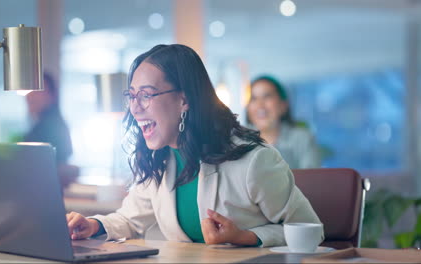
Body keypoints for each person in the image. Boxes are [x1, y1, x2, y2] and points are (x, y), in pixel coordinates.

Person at [67, 44, 322, 247]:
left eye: (146, 95)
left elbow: (310, 229)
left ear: (184, 99)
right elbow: (129, 219)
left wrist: (245, 237)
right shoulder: (160, 158)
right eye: (131, 96)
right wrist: (93, 225)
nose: (134, 107)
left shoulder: (254, 161)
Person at [246, 75, 321, 169]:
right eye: (253, 98)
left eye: (267, 96)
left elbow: (312, 180)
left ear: (283, 105)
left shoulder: (302, 138)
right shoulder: (240, 141)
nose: (260, 105)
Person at [24, 72, 76, 187]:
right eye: (29, 91)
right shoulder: (43, 124)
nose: (30, 96)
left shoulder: (51, 126)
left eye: (37, 91)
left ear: (51, 95)